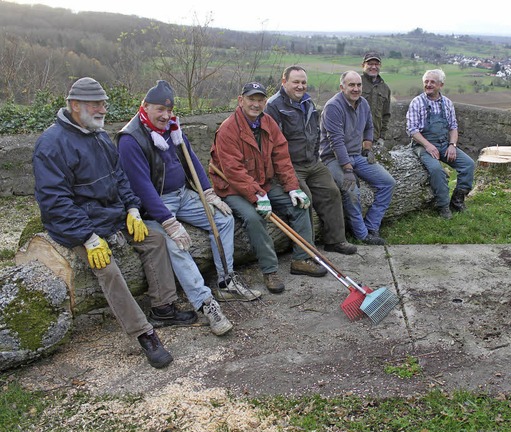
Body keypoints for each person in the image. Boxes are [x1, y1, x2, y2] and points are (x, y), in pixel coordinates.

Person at [32, 77, 195, 369]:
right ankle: (144, 333)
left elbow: (120, 177)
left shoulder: (99, 136)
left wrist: (132, 208)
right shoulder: (51, 144)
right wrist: (87, 237)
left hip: (111, 216)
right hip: (78, 226)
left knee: (156, 239)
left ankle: (163, 307)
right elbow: (55, 201)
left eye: (103, 104)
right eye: (95, 104)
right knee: (107, 268)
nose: (101, 109)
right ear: (74, 105)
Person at [116, 80, 261, 336]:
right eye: (159, 109)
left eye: (168, 110)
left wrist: (208, 193)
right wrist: (168, 223)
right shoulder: (131, 139)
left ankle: (226, 281)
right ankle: (205, 303)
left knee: (223, 220)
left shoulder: (172, 127)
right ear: (145, 107)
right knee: (176, 244)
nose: (165, 115)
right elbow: (142, 188)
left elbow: (190, 157)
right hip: (155, 206)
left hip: (183, 195)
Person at [209, 81, 327, 294]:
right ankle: (270, 270)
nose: (255, 104)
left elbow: (281, 157)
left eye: (260, 100)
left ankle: (301, 259)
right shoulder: (228, 129)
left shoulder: (268, 123)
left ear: (265, 102)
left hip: (262, 183)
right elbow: (233, 171)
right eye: (251, 99)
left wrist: (292, 188)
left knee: (301, 204)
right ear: (240, 100)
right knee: (255, 218)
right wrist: (257, 196)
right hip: (233, 188)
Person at [265, 66, 357, 256]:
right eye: (296, 82)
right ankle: (308, 250)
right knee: (303, 198)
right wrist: (284, 171)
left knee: (332, 192)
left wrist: (315, 156)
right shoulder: (274, 106)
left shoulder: (308, 102)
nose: (300, 86)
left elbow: (315, 132)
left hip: (312, 162)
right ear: (284, 82)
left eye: (303, 82)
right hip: (290, 165)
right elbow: (272, 144)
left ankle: (335, 241)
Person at [319, 71, 396, 245]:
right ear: (342, 87)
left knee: (388, 183)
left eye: (358, 85)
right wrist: (347, 169)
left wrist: (367, 148)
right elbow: (336, 142)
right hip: (333, 158)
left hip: (356, 154)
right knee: (352, 191)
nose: (356, 89)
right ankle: (362, 235)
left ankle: (372, 226)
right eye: (351, 85)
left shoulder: (363, 104)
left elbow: (369, 127)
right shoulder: (333, 107)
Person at [406, 69, 475, 219]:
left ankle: (457, 201)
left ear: (441, 85)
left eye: (432, 82)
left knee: (468, 164)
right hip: (422, 145)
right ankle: (443, 206)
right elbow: (412, 130)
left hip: (444, 143)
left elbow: (453, 127)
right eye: (426, 82)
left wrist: (452, 145)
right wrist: (428, 145)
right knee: (437, 170)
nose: (428, 85)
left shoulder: (447, 103)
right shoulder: (417, 102)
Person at [361, 51, 391, 150]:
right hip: (356, 139)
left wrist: (382, 137)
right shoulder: (356, 84)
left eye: (376, 64)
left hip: (374, 139)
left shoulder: (385, 88)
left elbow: (386, 115)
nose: (373, 67)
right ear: (363, 65)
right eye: (370, 64)